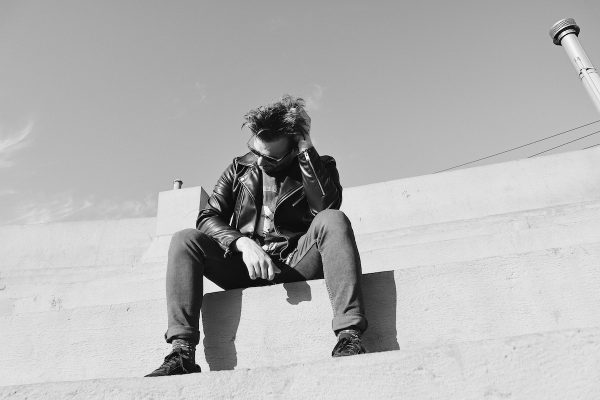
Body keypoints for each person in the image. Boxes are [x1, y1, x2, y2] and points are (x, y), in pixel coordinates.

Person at [145, 95, 368, 377]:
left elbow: (325, 206)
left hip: (294, 262)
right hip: (244, 268)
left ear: (292, 148)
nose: (260, 161)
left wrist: (306, 150)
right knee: (184, 239)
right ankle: (181, 352)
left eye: (270, 157)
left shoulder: (317, 165)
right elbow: (207, 217)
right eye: (255, 150)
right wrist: (242, 242)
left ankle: (349, 335)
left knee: (333, 219)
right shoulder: (239, 168)